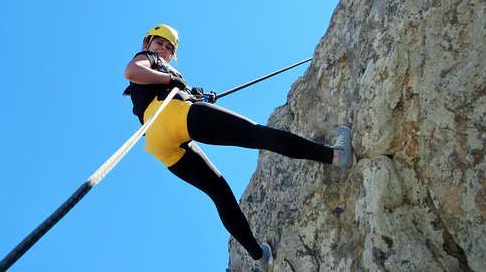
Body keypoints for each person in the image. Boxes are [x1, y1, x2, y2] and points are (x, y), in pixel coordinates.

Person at [123, 24, 353, 271]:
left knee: (219, 191)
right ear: (147, 43)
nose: (164, 50)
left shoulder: (163, 73)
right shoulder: (150, 59)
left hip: (160, 142)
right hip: (173, 115)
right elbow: (132, 71)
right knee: (257, 134)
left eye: (169, 48)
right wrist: (171, 79)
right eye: (160, 43)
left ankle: (259, 257)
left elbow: (162, 88)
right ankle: (335, 155)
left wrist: (194, 95)